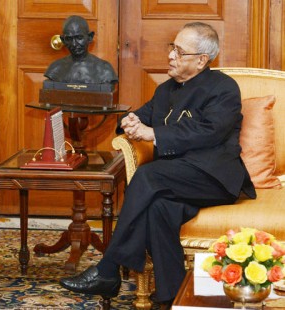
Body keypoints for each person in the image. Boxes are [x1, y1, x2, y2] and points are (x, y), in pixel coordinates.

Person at [59, 22, 256, 306]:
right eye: (171, 48)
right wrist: (127, 122)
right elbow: (139, 116)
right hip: (175, 176)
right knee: (158, 209)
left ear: (201, 60)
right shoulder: (166, 90)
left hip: (213, 176)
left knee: (148, 177)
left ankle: (108, 268)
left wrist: (154, 133)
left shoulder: (223, 88)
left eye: (179, 51)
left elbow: (209, 132)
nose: (171, 56)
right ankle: (173, 296)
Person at [44, 15, 118, 85]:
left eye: (79, 38)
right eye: (69, 39)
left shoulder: (104, 70)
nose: (74, 44)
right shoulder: (56, 69)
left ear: (90, 37)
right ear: (63, 40)